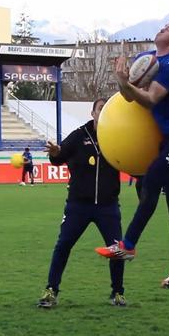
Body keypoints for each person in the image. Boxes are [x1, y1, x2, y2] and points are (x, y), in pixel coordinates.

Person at [95, 17, 169, 289]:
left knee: (152, 181)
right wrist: (123, 81)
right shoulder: (147, 58)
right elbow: (130, 97)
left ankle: (128, 245)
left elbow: (150, 99)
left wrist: (126, 84)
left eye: (168, 30)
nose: (161, 29)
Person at [37, 98, 126, 308]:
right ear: (93, 112)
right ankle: (51, 290)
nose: (103, 113)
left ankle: (118, 292)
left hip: (108, 206)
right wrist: (56, 152)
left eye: (107, 110)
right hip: (78, 205)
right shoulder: (79, 136)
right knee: (63, 245)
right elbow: (59, 157)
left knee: (117, 250)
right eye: (100, 109)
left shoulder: (118, 136)